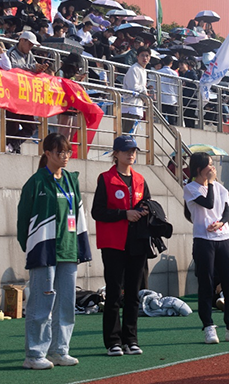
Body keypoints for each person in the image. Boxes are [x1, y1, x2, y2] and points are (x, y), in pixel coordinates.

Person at [17, 133, 91, 370]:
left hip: (68, 250)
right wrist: (31, 247)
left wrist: (80, 246)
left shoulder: (71, 180)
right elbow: (22, 220)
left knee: (66, 304)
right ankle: (34, 354)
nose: (65, 156)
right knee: (41, 304)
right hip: (44, 251)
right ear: (47, 153)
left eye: (68, 151)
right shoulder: (36, 182)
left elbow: (78, 214)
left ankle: (60, 350)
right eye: (60, 152)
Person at [91, 136, 151, 357]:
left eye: (133, 150)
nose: (131, 154)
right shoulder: (105, 179)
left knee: (134, 294)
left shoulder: (140, 180)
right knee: (114, 293)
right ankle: (113, 342)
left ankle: (131, 340)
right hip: (113, 243)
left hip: (137, 243)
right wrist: (124, 214)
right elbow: (97, 212)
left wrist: (145, 211)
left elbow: (148, 205)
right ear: (115, 153)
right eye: (126, 151)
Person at [183, 152, 229, 344]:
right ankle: (208, 327)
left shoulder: (220, 188)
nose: (213, 168)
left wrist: (221, 223)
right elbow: (208, 202)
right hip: (203, 240)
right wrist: (210, 183)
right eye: (209, 164)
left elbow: (227, 211)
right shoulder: (190, 188)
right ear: (199, 169)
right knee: (206, 284)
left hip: (224, 239)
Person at [2, 31, 48, 154]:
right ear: (22, 41)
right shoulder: (11, 53)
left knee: (30, 127)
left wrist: (39, 69)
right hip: (12, 95)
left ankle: (12, 146)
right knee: (13, 125)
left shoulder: (29, 54)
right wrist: (33, 68)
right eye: (30, 44)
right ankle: (12, 147)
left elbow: (32, 66)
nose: (31, 47)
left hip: (24, 96)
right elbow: (12, 68)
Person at [121, 46, 150, 134]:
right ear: (137, 57)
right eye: (142, 55)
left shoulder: (144, 70)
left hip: (137, 107)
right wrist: (145, 90)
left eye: (147, 56)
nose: (145, 58)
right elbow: (133, 87)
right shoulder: (134, 69)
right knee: (127, 135)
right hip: (130, 107)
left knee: (131, 135)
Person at [156, 56, 179, 125]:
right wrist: (177, 98)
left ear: (163, 62)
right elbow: (176, 87)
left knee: (161, 119)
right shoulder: (174, 73)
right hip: (171, 98)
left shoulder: (158, 72)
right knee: (172, 119)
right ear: (171, 63)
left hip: (161, 98)